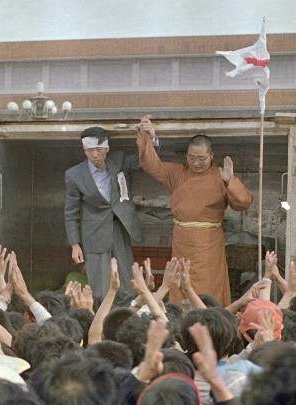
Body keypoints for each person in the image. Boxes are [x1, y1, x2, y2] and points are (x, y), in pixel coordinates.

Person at [136, 116, 252, 306]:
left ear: (211, 156)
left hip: (209, 242)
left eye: (201, 159)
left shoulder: (220, 176)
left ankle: (211, 323)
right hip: (181, 240)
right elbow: (151, 165)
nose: (196, 163)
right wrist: (149, 136)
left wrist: (230, 181)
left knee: (209, 288)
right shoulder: (177, 173)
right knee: (179, 283)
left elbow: (244, 203)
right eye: (191, 158)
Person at [65, 125, 158, 303]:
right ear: (84, 150)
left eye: (99, 149)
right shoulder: (74, 175)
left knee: (126, 279)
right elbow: (71, 212)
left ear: (106, 148)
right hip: (94, 232)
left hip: (119, 228)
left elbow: (144, 160)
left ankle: (126, 314)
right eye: (89, 150)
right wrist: (75, 244)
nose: (94, 154)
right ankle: (101, 320)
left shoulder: (119, 161)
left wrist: (151, 139)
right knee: (99, 285)